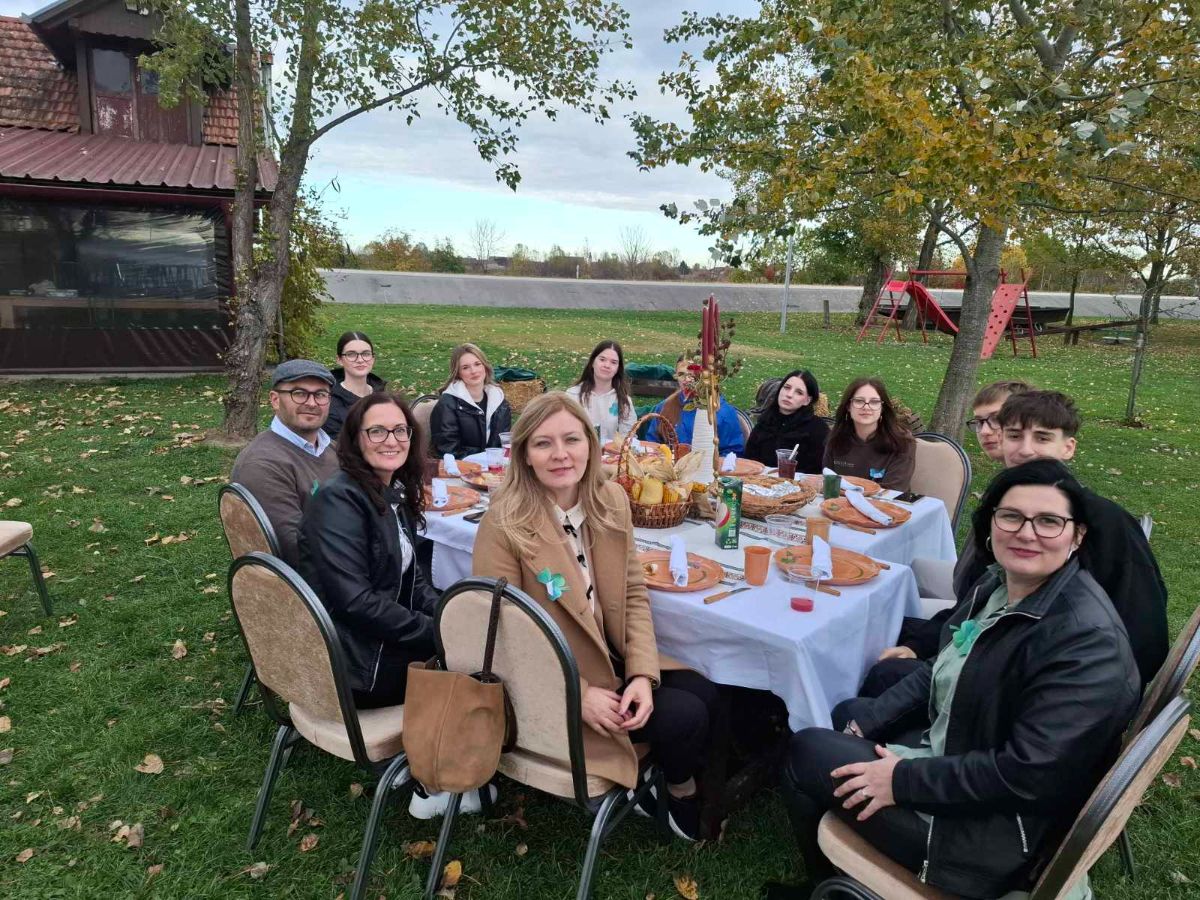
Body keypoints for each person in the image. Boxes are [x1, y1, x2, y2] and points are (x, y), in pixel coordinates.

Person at [767, 460, 1140, 900]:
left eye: (1048, 522)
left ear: (1077, 536)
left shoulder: (1085, 642)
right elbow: (943, 664)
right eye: (1012, 516)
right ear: (991, 524)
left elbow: (1025, 775)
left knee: (807, 749)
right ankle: (842, 874)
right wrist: (865, 725)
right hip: (969, 753)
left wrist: (901, 781)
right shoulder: (1003, 585)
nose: (1026, 533)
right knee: (851, 712)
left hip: (995, 837)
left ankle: (827, 888)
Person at [472, 392, 717, 840]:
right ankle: (676, 792)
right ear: (524, 455)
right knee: (685, 715)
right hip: (555, 680)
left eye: (571, 439)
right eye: (543, 443)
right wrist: (577, 694)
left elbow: (633, 592)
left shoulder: (611, 500)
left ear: (589, 443)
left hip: (610, 656)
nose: (560, 454)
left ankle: (659, 776)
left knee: (706, 689)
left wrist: (642, 674)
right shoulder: (504, 524)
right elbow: (503, 637)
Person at [864, 389, 1169, 694]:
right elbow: (975, 601)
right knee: (878, 630)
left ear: (1068, 447)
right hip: (986, 640)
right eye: (1014, 436)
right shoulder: (1002, 506)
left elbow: (1144, 635)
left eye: (1042, 438)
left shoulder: (1106, 523)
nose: (1025, 450)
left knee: (883, 673)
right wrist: (919, 645)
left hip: (1039, 679)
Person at [298, 392, 490, 820]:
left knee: (477, 636)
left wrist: (449, 616)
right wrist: (437, 637)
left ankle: (439, 757)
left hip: (371, 641)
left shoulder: (388, 491)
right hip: (356, 663)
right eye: (377, 431)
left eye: (400, 430)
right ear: (355, 439)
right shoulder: (339, 500)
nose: (392, 440)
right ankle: (437, 783)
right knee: (478, 664)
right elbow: (355, 602)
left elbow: (412, 579)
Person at [229, 359, 340, 567]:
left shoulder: (331, 448)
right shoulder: (261, 465)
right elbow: (296, 548)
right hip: (320, 579)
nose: (312, 403)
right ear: (275, 400)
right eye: (299, 393)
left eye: (320, 394)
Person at [822, 377, 915, 491]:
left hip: (888, 501)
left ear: (882, 408)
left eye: (874, 402)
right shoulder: (836, 437)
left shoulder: (902, 441)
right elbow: (829, 483)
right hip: (840, 501)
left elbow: (893, 490)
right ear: (848, 406)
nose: (866, 407)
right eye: (859, 401)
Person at [644, 355, 745, 454]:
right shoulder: (664, 406)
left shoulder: (724, 412)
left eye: (692, 375)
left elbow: (733, 452)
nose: (687, 379)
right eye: (681, 374)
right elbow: (652, 443)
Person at [430, 343, 513, 458]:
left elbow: (502, 443)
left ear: (485, 366)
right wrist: (484, 460)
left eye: (477, 364)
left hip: (495, 466)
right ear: (458, 373)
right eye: (465, 367)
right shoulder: (447, 405)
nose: (473, 371)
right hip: (461, 466)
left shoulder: (499, 401)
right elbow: (448, 451)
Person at [743, 369, 829, 472]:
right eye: (787, 388)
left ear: (807, 400)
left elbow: (817, 471)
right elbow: (748, 460)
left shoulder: (818, 429)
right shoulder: (765, 421)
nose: (789, 395)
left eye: (799, 392)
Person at [565, 340, 637, 443]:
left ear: (618, 368)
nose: (607, 365)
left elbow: (628, 438)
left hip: (610, 453)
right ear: (592, 362)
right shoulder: (572, 396)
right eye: (602, 359)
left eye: (613, 362)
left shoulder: (623, 401)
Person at [323, 331, 386, 440]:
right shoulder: (329, 403)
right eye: (351, 354)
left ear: (373, 358)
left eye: (366, 354)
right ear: (339, 360)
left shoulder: (382, 394)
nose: (360, 360)